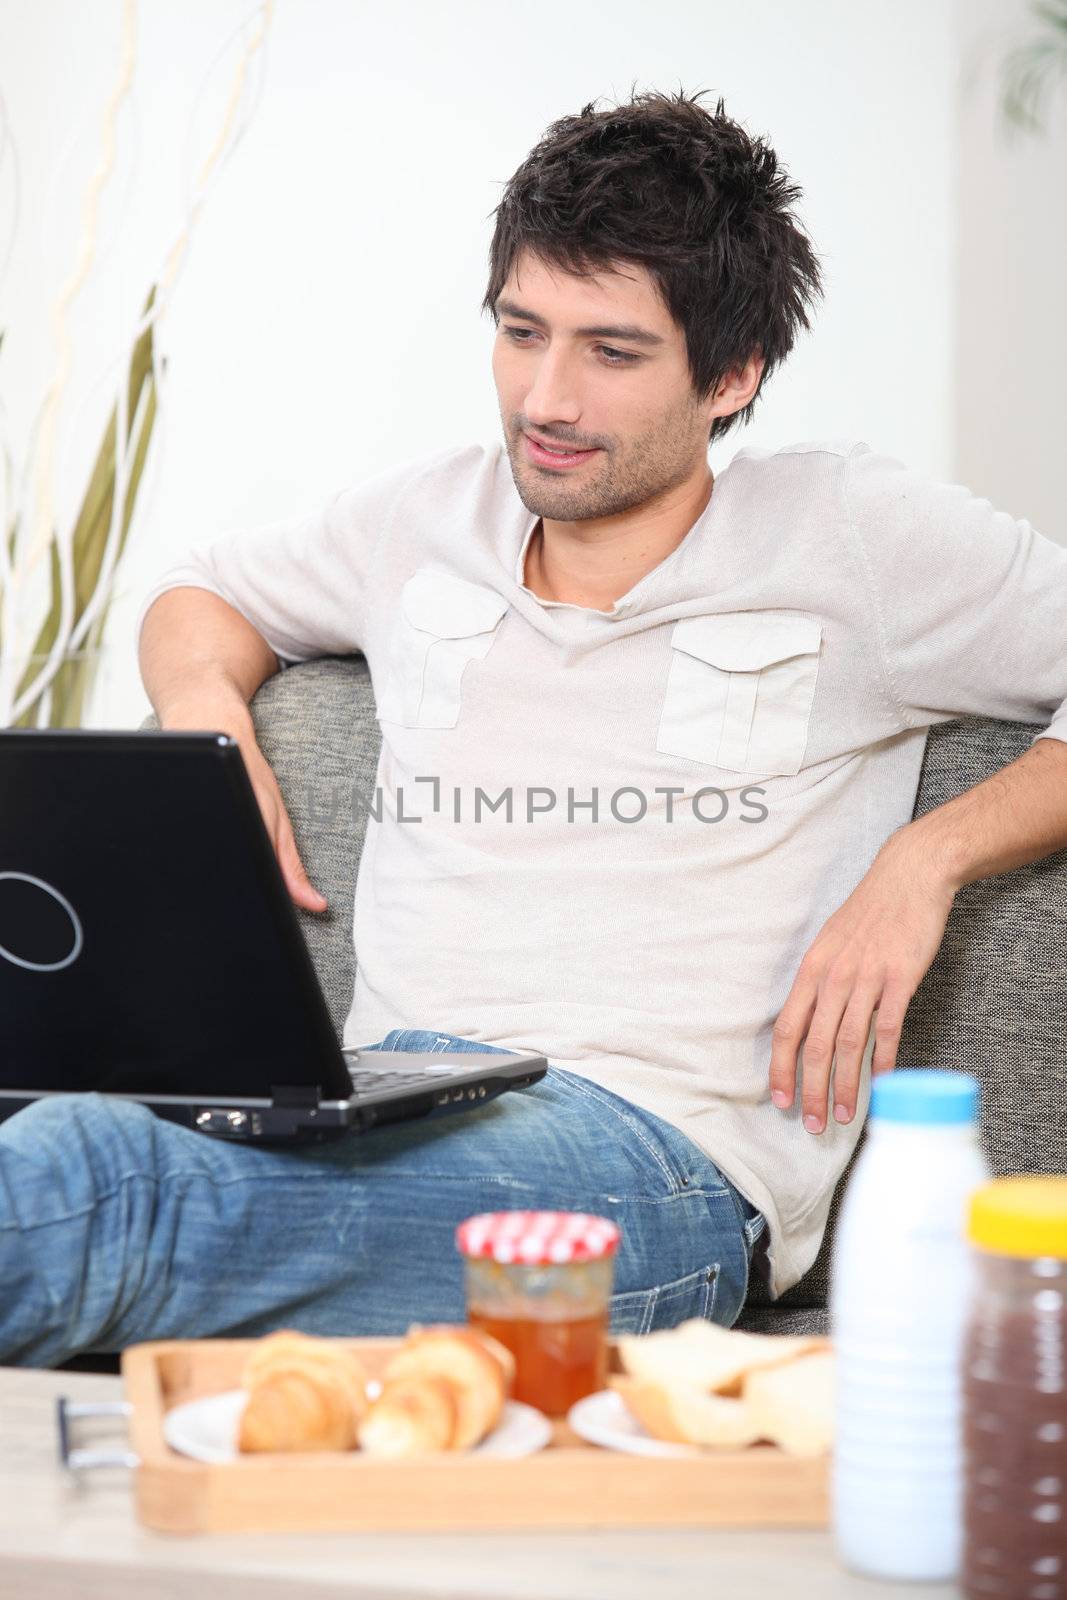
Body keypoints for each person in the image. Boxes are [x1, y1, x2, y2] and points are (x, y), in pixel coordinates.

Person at [5, 88, 1067, 1369]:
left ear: (731, 375)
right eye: (521, 332)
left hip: (655, 1168)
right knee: (77, 1144)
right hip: (381, 1099)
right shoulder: (419, 518)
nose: (544, 399)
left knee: (100, 1180)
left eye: (611, 353)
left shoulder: (854, 537)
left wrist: (927, 859)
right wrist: (205, 715)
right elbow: (201, 593)